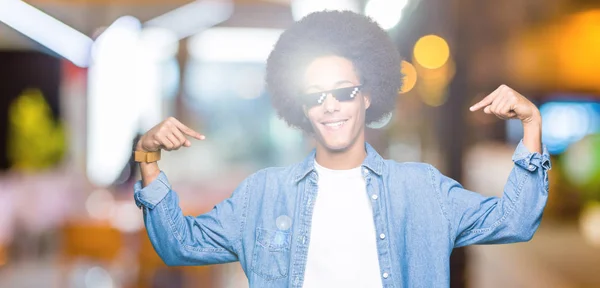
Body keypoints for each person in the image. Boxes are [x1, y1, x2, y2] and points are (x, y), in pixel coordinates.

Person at [133, 10, 550, 288]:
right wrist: (147, 159)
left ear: (367, 96)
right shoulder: (263, 194)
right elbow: (179, 245)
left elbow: (514, 221)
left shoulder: (422, 191)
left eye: (344, 92)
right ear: (301, 107)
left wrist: (531, 125)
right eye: (316, 95)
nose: (330, 105)